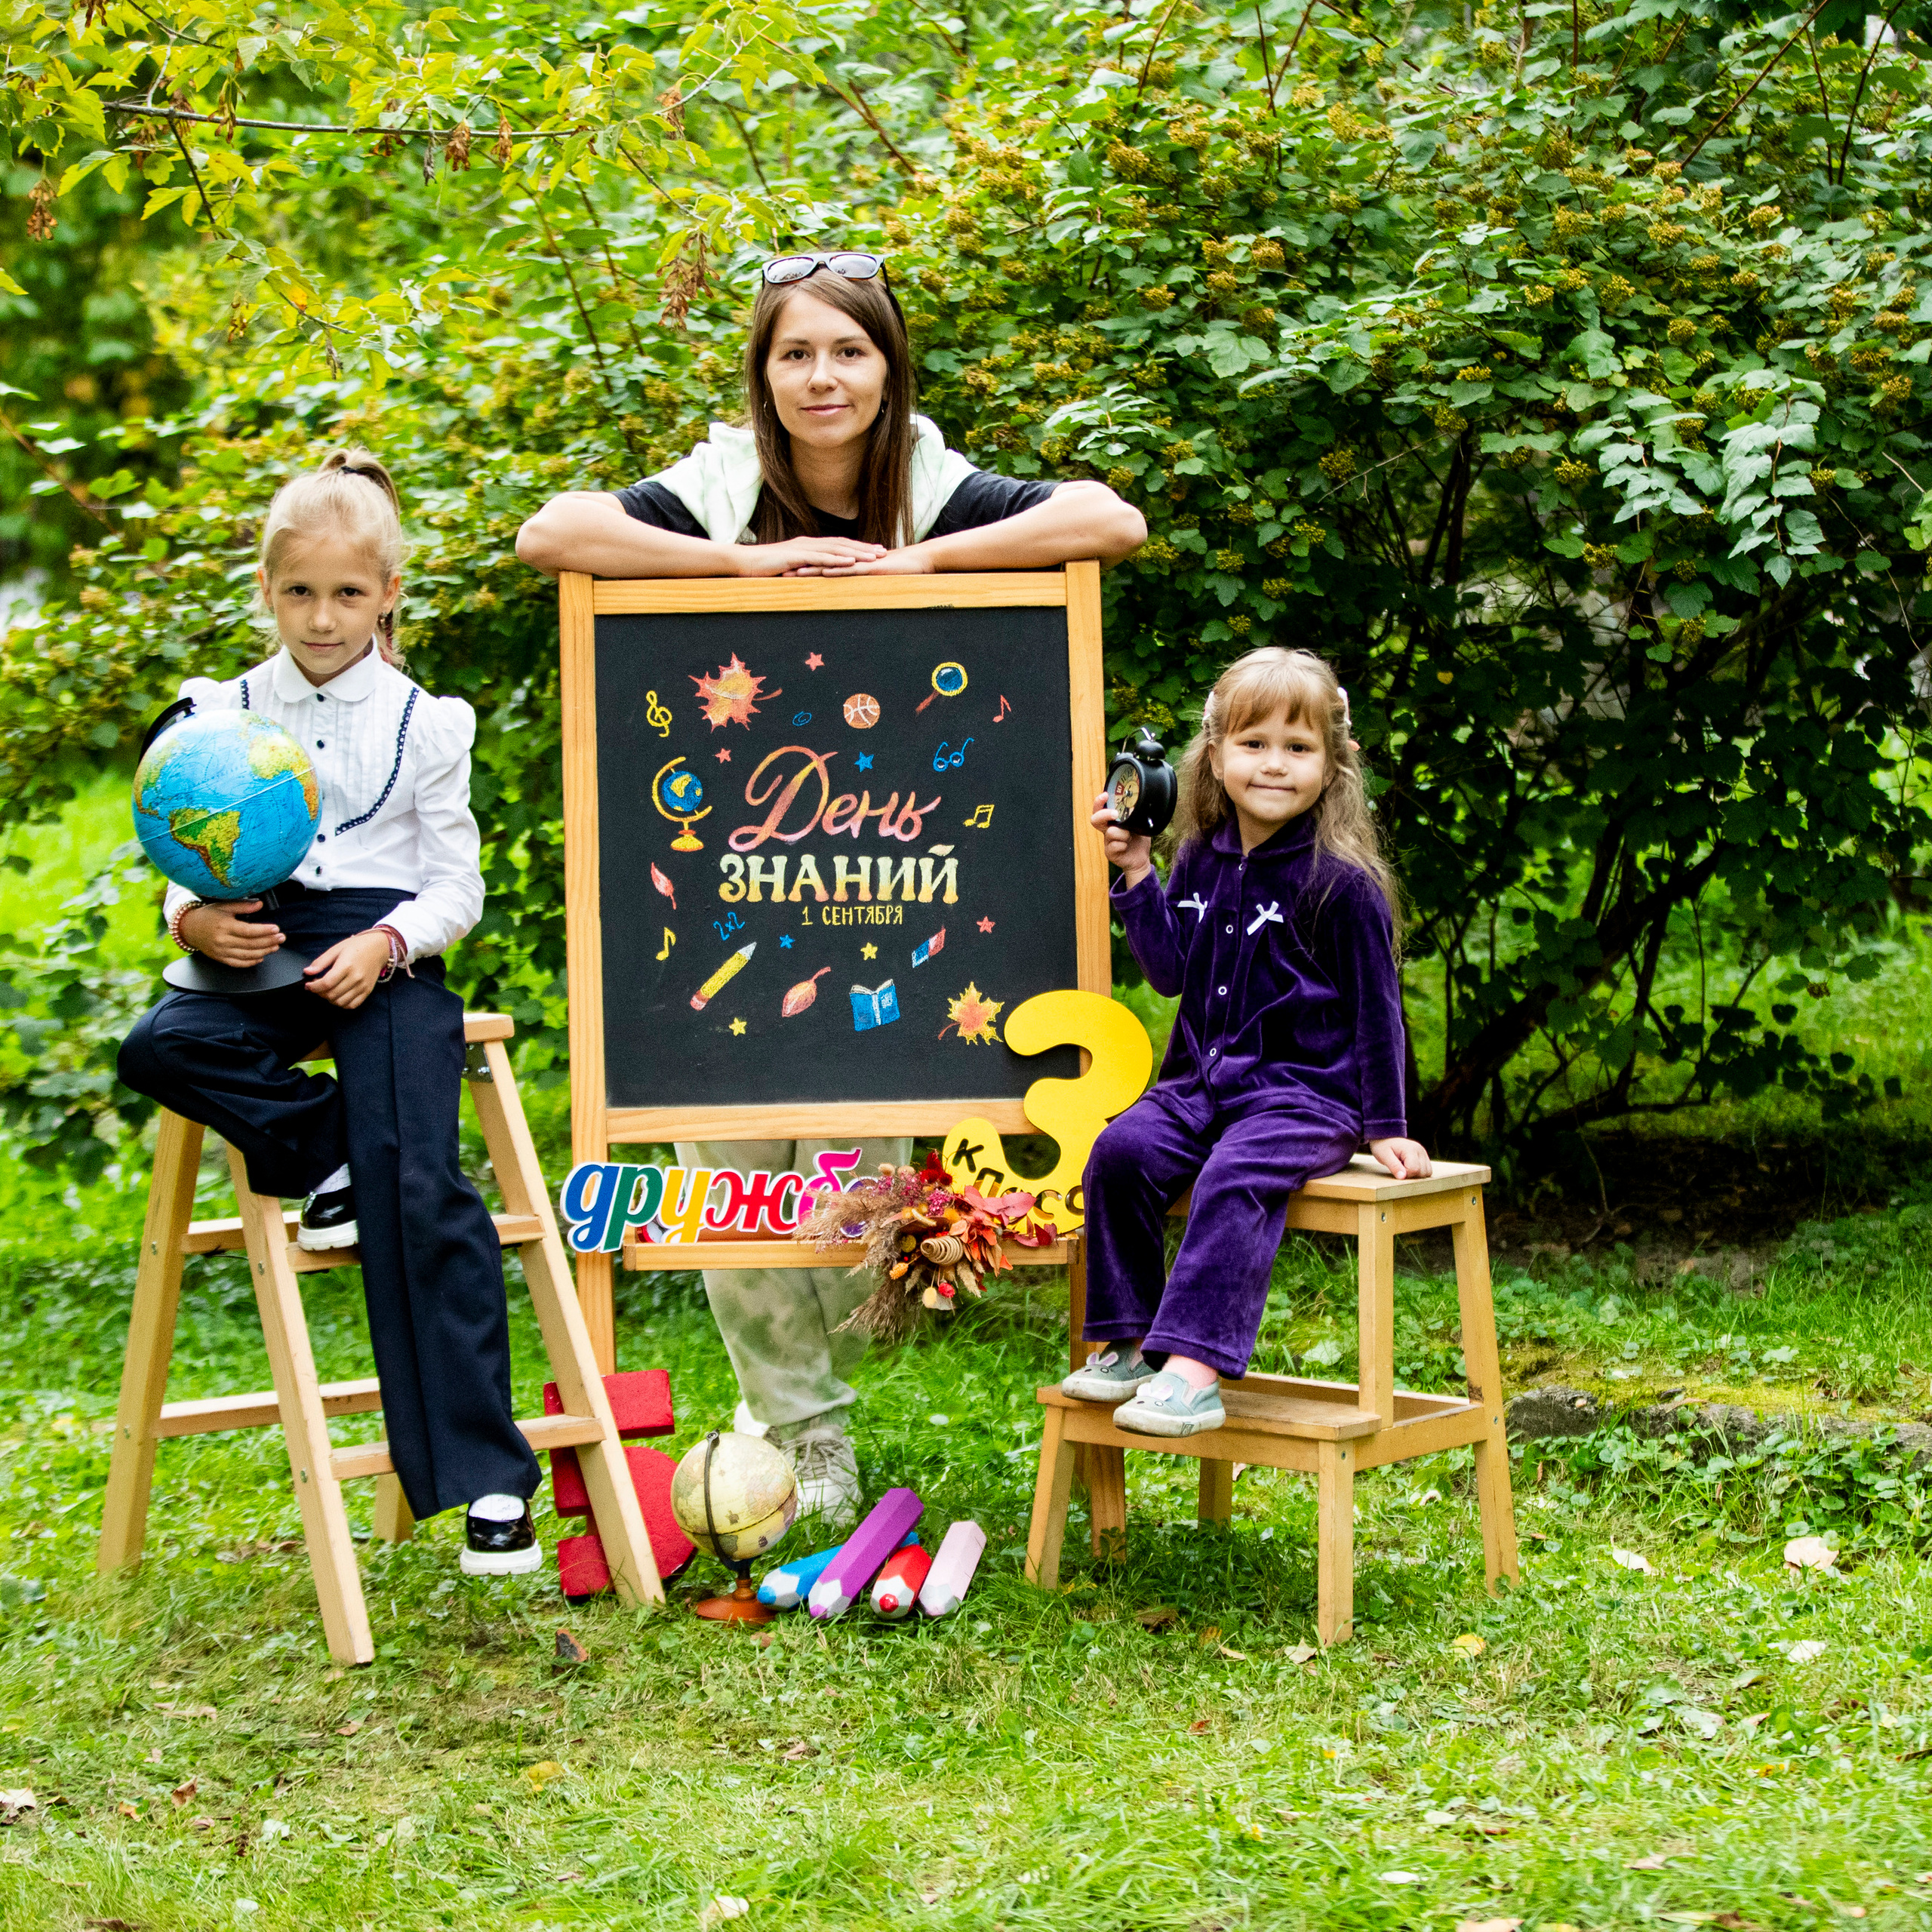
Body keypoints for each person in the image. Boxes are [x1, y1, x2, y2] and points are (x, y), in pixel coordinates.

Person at [517, 249, 1145, 1518]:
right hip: (721, 901)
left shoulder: (930, 481)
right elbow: (553, 534)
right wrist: (742, 571)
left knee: (862, 1195)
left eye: (848, 351)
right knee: (730, 1179)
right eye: (795, 353)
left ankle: (788, 1410)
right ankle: (809, 1444)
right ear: (762, 372)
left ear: (888, 364)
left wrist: (914, 570)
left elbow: (1109, 520)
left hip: (896, 902)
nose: (823, 378)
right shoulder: (721, 483)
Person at [118, 448, 546, 1575]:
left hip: (380, 947)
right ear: (266, 589)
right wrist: (191, 919)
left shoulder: (426, 722)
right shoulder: (218, 711)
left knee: (422, 1176)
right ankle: (320, 1154)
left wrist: (388, 940)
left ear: (388, 596)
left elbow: (458, 884)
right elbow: (180, 837)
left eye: (348, 594)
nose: (322, 617)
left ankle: (489, 1479)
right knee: (159, 1041)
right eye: (299, 592)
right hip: (255, 931)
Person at [1063, 646, 1431, 1438]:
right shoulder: (1197, 856)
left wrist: (1388, 1126)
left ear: (1332, 765)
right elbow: (1167, 973)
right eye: (1253, 744)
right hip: (1201, 1085)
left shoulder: (1342, 882)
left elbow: (1378, 1009)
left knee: (1235, 1173)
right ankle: (1125, 1343)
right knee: (1120, 1151)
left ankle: (1191, 1373)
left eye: (1297, 749)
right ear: (1216, 755)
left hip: (1304, 1097)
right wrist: (1136, 873)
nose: (1273, 765)